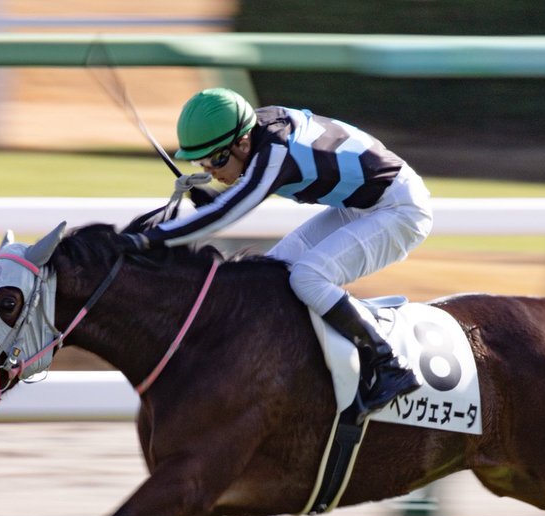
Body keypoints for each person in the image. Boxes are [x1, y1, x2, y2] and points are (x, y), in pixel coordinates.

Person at [129, 87, 433, 419]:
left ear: (243, 142)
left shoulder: (275, 150)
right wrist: (213, 199)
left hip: (400, 210)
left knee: (307, 277)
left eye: (216, 160)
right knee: (269, 272)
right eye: (201, 162)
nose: (211, 170)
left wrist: (149, 240)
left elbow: (229, 211)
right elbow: (235, 196)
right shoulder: (256, 132)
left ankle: (390, 364)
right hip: (360, 205)